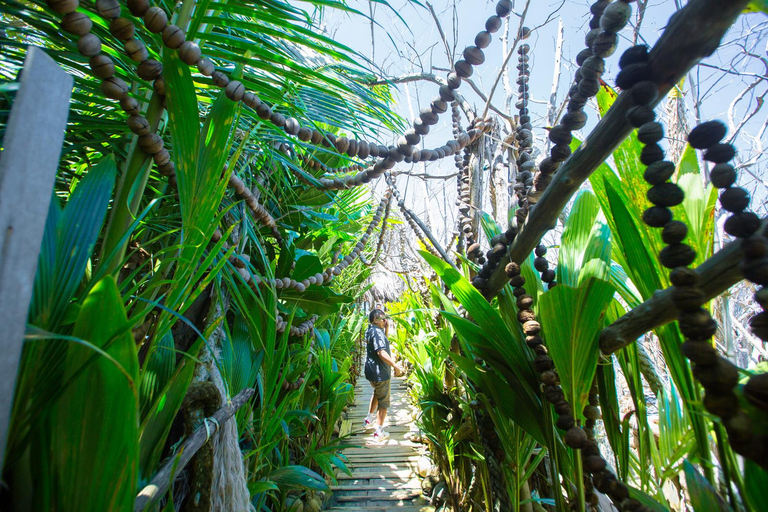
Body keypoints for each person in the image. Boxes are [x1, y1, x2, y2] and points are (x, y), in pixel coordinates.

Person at [363, 308, 403, 442]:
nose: (385, 320)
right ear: (375, 320)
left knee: (377, 392)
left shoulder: (370, 330)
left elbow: (380, 344)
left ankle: (368, 420)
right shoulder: (377, 332)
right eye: (382, 318)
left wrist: (385, 330)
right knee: (384, 402)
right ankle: (379, 431)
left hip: (371, 372)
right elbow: (381, 352)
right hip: (380, 372)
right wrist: (395, 365)